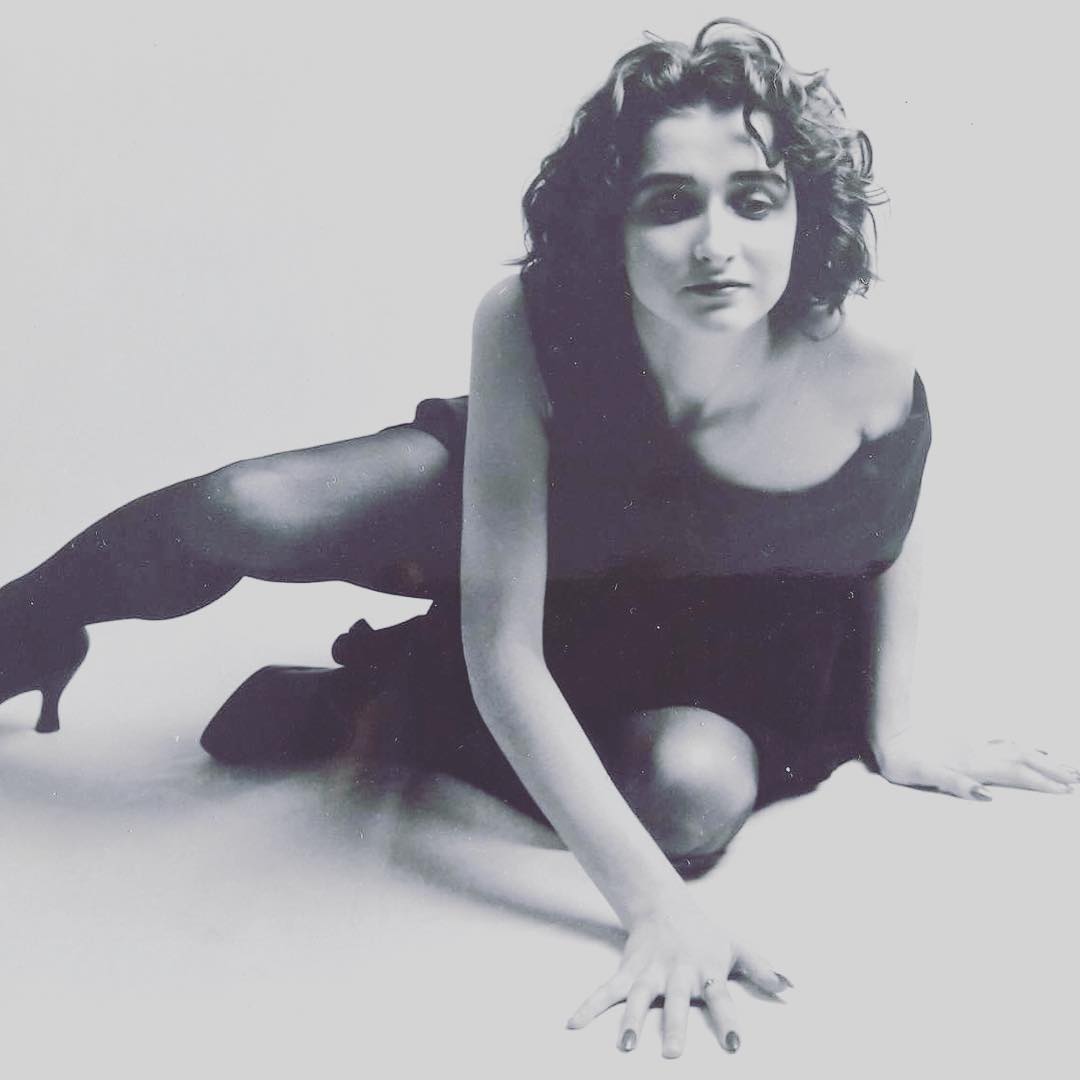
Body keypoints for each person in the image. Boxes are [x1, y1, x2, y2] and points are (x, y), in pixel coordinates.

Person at [1, 16, 1075, 1059]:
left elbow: (891, 522)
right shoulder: (529, 315)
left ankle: (373, 703)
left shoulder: (867, 364)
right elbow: (504, 639)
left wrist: (891, 733)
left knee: (687, 796)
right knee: (249, 504)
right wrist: (650, 905)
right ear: (610, 225)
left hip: (738, 618)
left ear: (805, 211)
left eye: (755, 199)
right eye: (669, 203)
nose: (717, 244)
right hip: (564, 531)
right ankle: (24, 627)